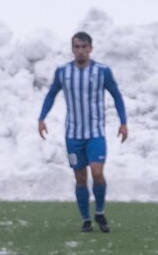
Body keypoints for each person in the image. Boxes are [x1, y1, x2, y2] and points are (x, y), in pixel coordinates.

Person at [38, 31, 128, 233]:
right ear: (72, 49)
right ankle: (86, 219)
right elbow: (51, 94)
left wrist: (123, 122)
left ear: (90, 48)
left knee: (97, 173)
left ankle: (100, 212)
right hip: (72, 135)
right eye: (76, 47)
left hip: (95, 133)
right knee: (79, 177)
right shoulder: (63, 72)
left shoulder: (102, 71)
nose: (80, 51)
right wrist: (41, 118)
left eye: (83, 47)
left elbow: (117, 96)